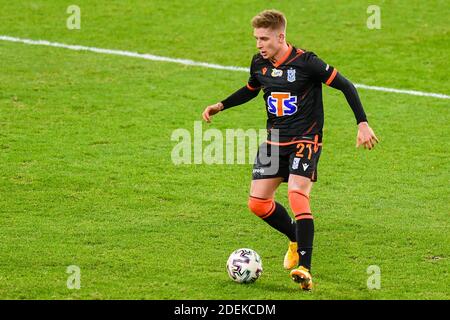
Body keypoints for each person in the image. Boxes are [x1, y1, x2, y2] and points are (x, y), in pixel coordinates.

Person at [202, 9, 379, 290]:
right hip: (274, 141)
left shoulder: (307, 63)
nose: (259, 44)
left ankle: (305, 268)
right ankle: (296, 238)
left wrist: (362, 123)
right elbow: (251, 88)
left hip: (305, 139)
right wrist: (221, 105)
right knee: (257, 203)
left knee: (297, 194)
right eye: (256, 38)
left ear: (280, 36)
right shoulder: (258, 63)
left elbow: (346, 85)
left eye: (264, 38)